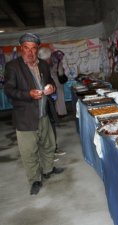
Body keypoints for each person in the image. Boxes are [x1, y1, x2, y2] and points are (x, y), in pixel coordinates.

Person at [4, 33, 64, 195]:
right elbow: (9, 90)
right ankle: (35, 179)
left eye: (33, 48)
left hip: (44, 114)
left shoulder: (43, 64)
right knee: (29, 151)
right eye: (26, 48)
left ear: (37, 49)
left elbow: (50, 82)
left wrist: (51, 87)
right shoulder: (13, 67)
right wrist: (28, 94)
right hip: (25, 117)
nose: (30, 52)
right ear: (21, 49)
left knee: (49, 145)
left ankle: (47, 170)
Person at [38, 47, 66, 157]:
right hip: (42, 104)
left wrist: (52, 88)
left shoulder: (43, 67)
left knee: (51, 125)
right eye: (49, 58)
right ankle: (49, 152)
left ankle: (53, 148)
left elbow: (50, 82)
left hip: (48, 100)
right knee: (46, 128)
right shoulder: (39, 68)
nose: (50, 60)